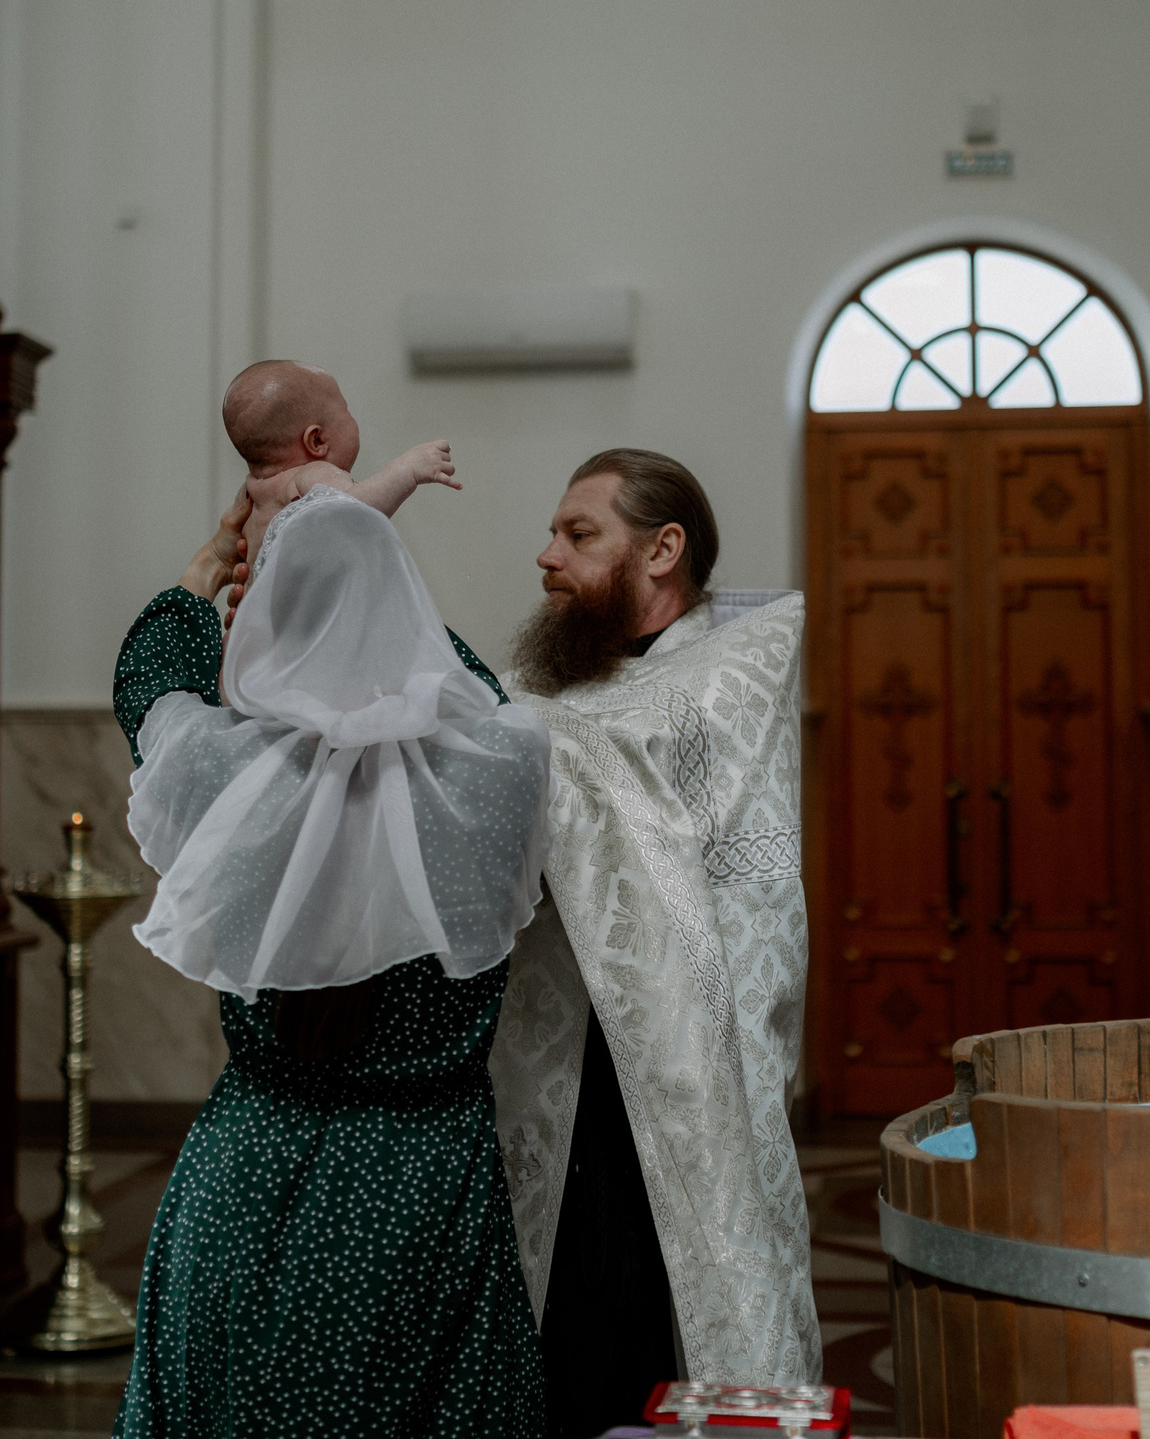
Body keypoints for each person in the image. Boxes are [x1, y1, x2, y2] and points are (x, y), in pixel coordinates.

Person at [110, 485, 551, 1437]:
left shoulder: (223, 771)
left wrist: (205, 571)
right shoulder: (503, 766)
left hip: (252, 1159)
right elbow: (471, 685)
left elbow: (147, 685)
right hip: (423, 1177)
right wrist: (371, 544)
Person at [488, 448, 820, 1433]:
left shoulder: (731, 671)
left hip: (685, 1051)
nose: (545, 556)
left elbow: (630, 804)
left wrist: (489, 729)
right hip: (560, 1048)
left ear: (662, 549)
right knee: (570, 1302)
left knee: (660, 1299)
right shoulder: (552, 682)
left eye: (578, 534)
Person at [221, 357, 462, 564]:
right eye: (346, 411)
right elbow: (355, 511)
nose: (352, 418)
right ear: (316, 441)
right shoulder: (310, 474)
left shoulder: (249, 495)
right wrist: (408, 469)